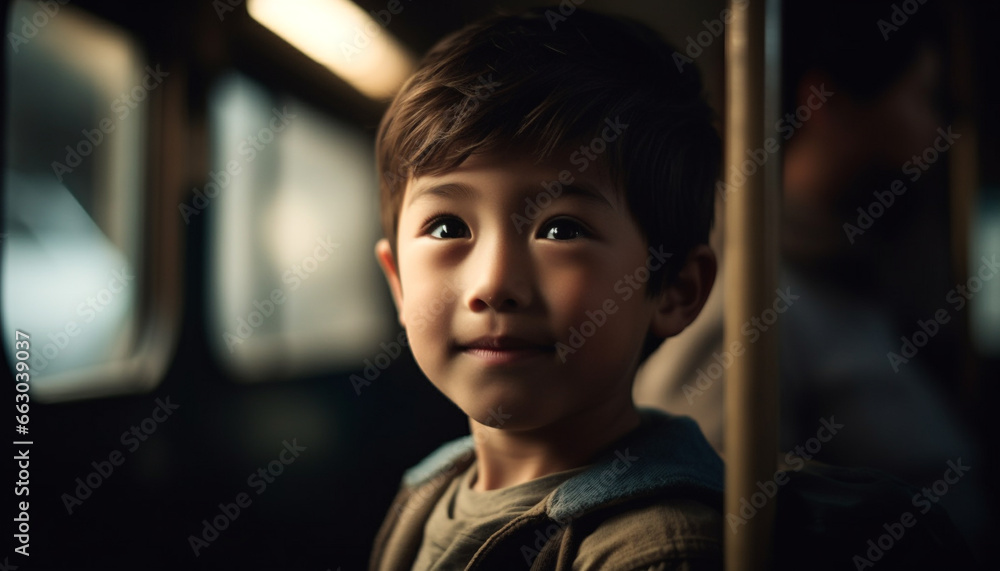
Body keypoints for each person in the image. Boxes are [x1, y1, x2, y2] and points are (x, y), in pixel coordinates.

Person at [367, 6, 725, 570]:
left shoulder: (657, 549)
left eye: (561, 230)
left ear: (676, 288)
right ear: (398, 284)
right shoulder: (427, 491)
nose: (493, 284)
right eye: (447, 227)